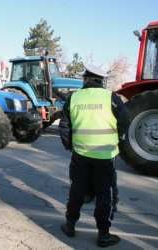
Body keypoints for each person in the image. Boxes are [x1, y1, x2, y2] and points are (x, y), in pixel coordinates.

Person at [59, 64, 130, 248]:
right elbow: (125, 122)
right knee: (104, 194)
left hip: (80, 154)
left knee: (77, 190)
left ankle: (70, 225)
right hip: (105, 155)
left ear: (86, 79)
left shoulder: (73, 98)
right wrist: (119, 143)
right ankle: (103, 235)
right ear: (101, 81)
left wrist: (69, 145)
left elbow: (64, 125)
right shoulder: (111, 97)